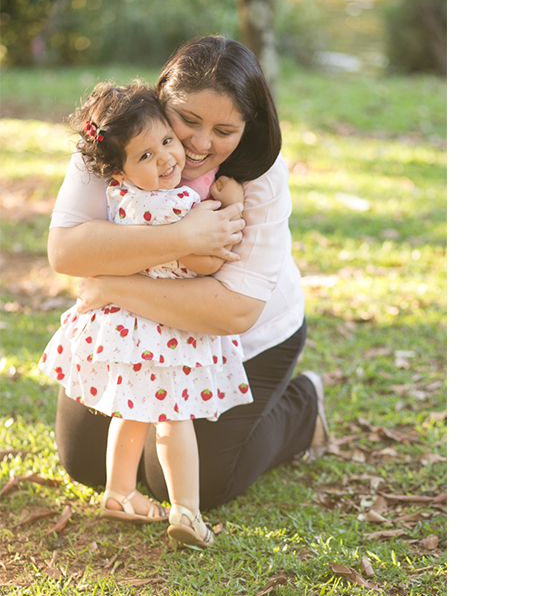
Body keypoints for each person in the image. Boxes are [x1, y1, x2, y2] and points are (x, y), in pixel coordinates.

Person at [46, 36, 330, 520]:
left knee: (186, 479)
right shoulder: (119, 133)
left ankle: (305, 407)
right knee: (87, 464)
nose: (200, 145)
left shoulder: (259, 173)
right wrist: (184, 236)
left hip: (242, 337)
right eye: (189, 121)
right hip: (133, 330)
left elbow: (234, 310)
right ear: (162, 100)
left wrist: (112, 286)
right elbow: (66, 250)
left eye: (224, 129)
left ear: (249, 126)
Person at [41, 80, 256, 548]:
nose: (165, 158)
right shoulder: (179, 203)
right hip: (166, 332)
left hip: (124, 331)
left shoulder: (122, 200)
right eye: (145, 156)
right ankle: (187, 512)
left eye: (165, 142)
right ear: (117, 170)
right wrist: (231, 205)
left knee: (131, 412)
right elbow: (206, 262)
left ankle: (120, 493)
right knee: (174, 419)